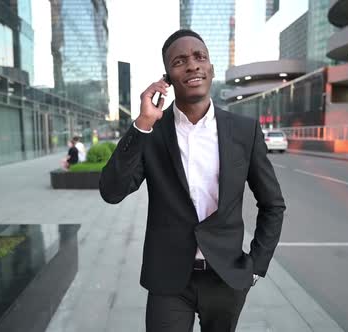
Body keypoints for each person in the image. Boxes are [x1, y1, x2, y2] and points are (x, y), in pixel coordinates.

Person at [99, 29, 286, 332]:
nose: (193, 65)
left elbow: (273, 204)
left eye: (200, 57)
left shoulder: (243, 131)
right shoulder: (153, 133)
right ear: (168, 78)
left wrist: (256, 266)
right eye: (180, 61)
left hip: (226, 278)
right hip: (168, 281)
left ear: (211, 68)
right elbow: (111, 191)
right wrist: (143, 123)